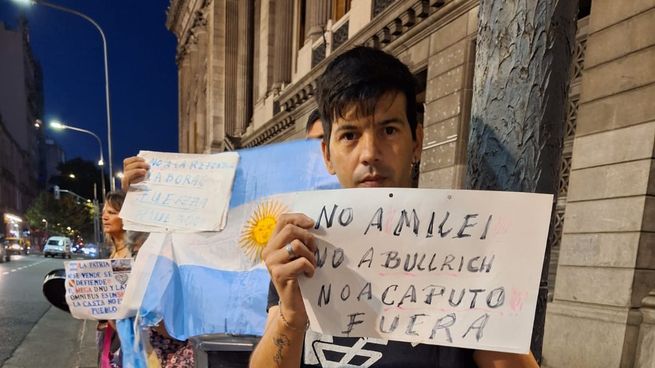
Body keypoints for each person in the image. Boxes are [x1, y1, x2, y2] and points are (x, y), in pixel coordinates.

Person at [249, 47, 539, 368]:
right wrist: (289, 319)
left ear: (416, 142)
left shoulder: (469, 249)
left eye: (388, 130)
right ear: (327, 156)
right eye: (349, 135)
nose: (370, 152)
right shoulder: (303, 244)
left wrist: (496, 309)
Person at [99, 191, 131, 368]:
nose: (104, 217)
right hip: (112, 332)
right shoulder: (114, 251)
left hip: (128, 334)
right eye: (104, 212)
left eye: (112, 212)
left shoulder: (134, 253)